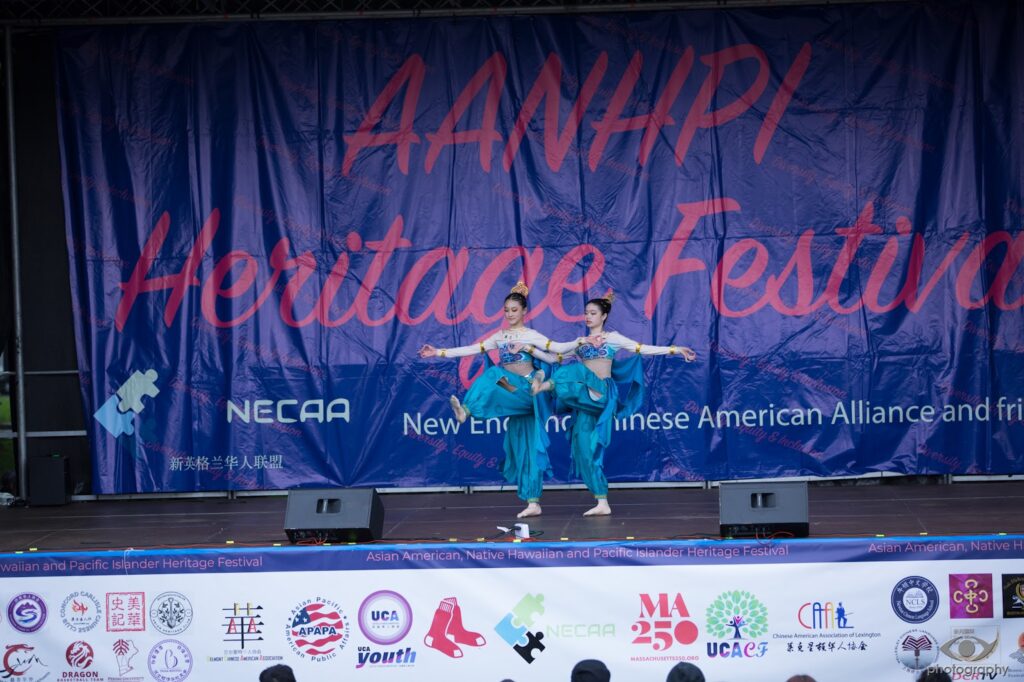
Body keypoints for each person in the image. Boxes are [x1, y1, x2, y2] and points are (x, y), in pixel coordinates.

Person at [531, 292, 696, 516]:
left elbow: (641, 348)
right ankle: (602, 501)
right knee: (585, 449)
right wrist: (529, 349)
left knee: (576, 370)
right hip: (583, 400)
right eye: (586, 313)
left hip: (601, 394)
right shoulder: (580, 344)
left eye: (593, 313)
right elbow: (553, 357)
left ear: (604, 315)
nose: (588, 317)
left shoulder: (612, 338)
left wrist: (674, 349)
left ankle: (546, 386)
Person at [419, 282, 562, 518]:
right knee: (525, 449)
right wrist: (438, 352)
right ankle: (533, 501)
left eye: (514, 310)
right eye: (506, 310)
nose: (509, 314)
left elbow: (553, 356)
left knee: (494, 374)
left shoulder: (531, 335)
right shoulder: (500, 336)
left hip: (527, 391)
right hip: (509, 389)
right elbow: (472, 349)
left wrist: (541, 363)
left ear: (524, 311)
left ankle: (466, 410)